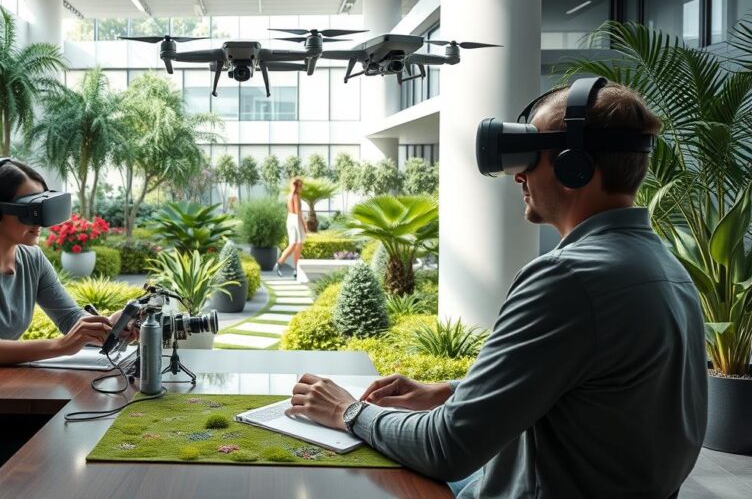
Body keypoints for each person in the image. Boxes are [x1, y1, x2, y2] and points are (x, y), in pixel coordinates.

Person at [284, 83, 708, 498]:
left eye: (529, 156)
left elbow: (448, 448)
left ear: (572, 166)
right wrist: (452, 391)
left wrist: (347, 411)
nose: (518, 175)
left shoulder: (568, 279)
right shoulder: (664, 267)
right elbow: (590, 385)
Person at [0, 158, 135, 474]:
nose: (38, 220)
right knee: (35, 458)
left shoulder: (32, 259)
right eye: (27, 209)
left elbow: (72, 321)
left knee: (68, 435)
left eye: (41, 206)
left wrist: (111, 326)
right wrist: (60, 346)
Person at [274, 177, 307, 279]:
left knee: (295, 245)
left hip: (290, 219)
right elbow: (298, 212)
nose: (302, 187)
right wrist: (305, 225)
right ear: (298, 186)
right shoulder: (296, 196)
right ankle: (280, 264)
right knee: (296, 245)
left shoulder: (289, 196)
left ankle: (295, 271)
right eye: (301, 185)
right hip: (296, 220)